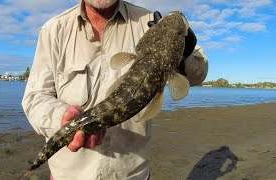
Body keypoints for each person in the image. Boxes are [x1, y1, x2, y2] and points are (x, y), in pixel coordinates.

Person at [22, 0, 208, 179]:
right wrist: (61, 117)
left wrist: (185, 54)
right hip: (70, 175)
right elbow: (35, 96)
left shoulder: (151, 21)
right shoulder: (54, 30)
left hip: (131, 173)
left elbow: (197, 75)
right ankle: (31, 169)